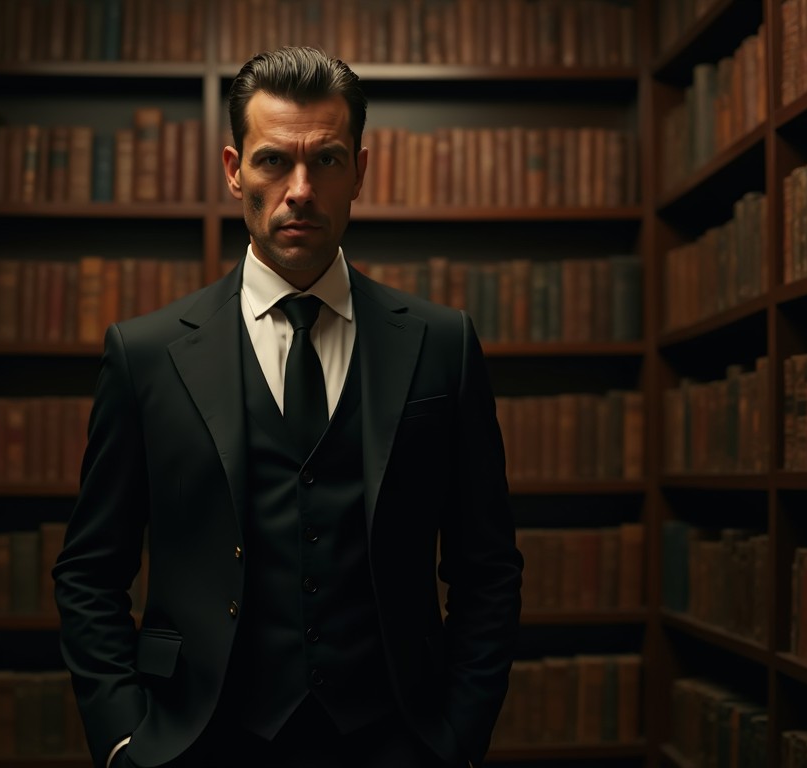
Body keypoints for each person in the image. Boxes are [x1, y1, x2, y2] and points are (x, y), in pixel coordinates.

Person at [53, 46, 522, 768]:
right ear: (234, 168)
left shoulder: (442, 345)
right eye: (274, 162)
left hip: (398, 738)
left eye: (327, 161)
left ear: (360, 172)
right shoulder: (145, 355)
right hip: (198, 740)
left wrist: (458, 739)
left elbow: (486, 567)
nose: (300, 189)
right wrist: (123, 743)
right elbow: (89, 570)